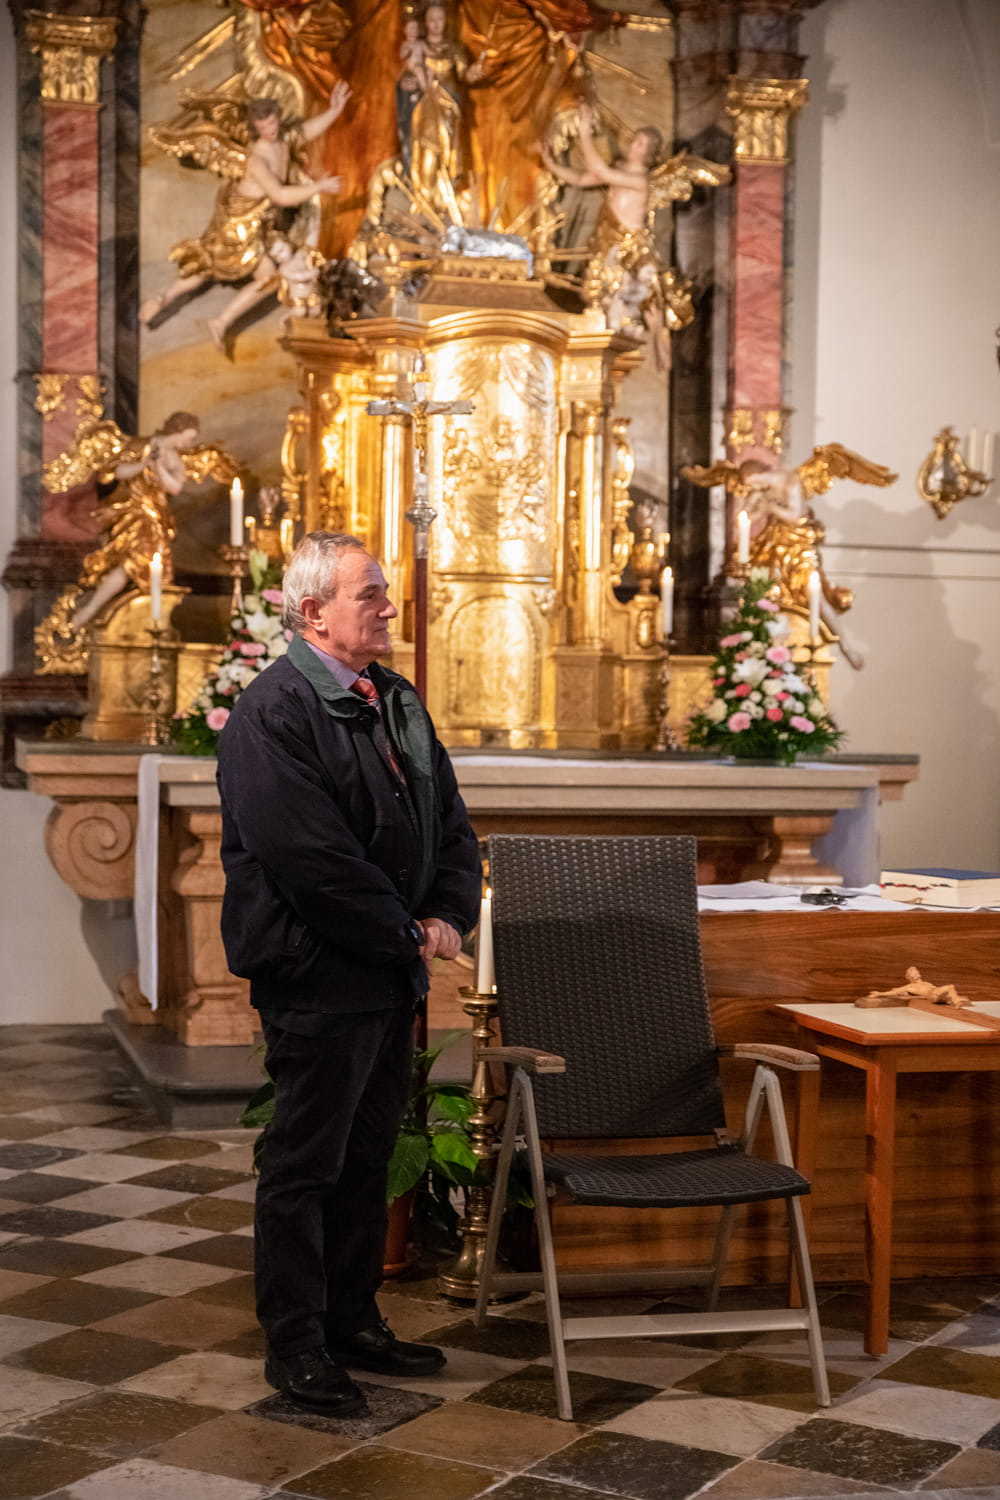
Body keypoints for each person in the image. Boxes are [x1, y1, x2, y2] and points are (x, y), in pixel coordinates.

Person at [216, 531, 481, 1415]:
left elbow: (449, 823)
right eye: (369, 594)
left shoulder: (395, 699)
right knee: (307, 1165)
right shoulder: (273, 713)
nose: (388, 606)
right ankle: (296, 1343)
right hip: (319, 974)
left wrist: (447, 914)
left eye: (383, 592)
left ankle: (352, 1320)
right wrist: (403, 932)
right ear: (312, 612)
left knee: (368, 1158)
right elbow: (311, 860)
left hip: (387, 971)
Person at [141, 87, 350, 354]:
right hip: (238, 223)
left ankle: (212, 319)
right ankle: (171, 302)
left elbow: (305, 131)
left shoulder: (284, 138)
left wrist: (335, 110)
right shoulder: (257, 159)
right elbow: (280, 195)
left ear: (278, 118)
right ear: (255, 128)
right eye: (263, 127)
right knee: (212, 264)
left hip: (260, 221)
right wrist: (318, 187)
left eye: (273, 123)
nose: (270, 131)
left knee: (233, 270)